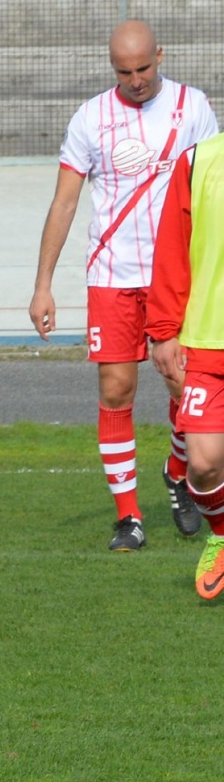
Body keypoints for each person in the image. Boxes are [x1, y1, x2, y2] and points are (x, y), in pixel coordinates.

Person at [30, 20, 217, 551]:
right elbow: (65, 201)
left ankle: (178, 471)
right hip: (112, 275)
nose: (136, 80)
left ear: (160, 55)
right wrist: (43, 285)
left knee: (186, 387)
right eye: (124, 72)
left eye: (144, 68)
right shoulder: (91, 118)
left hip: (179, 278)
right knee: (116, 390)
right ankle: (128, 518)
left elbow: (210, 187)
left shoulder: (193, 108)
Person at [146, 128, 224, 596]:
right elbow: (173, 248)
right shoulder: (198, 160)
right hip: (206, 341)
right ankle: (222, 534)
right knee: (203, 464)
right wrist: (163, 332)